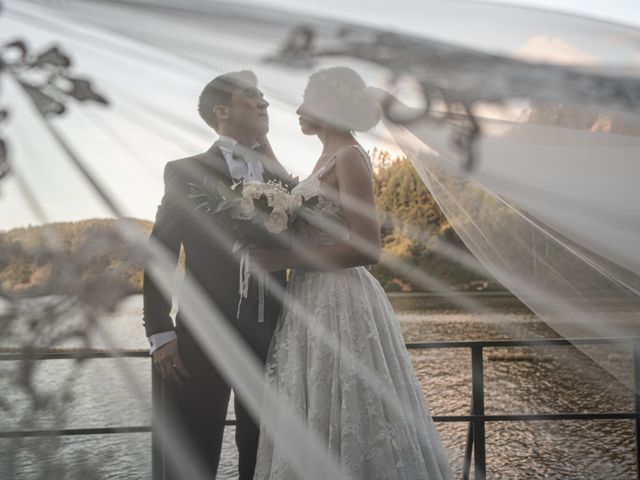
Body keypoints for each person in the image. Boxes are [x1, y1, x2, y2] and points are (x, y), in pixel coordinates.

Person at [250, 66, 453, 479]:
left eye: (306, 100)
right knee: (314, 406)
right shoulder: (326, 157)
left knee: (351, 409)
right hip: (309, 297)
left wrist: (283, 260)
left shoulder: (350, 157)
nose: (299, 110)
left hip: (340, 299)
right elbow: (298, 200)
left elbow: (367, 247)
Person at [142, 70, 289, 480]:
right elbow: (160, 254)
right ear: (221, 111)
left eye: (263, 95)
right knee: (192, 451)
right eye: (252, 95)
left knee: (264, 454)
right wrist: (160, 333)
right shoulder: (186, 171)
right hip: (200, 337)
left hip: (276, 335)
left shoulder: (282, 178)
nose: (264, 102)